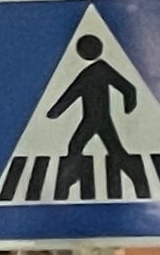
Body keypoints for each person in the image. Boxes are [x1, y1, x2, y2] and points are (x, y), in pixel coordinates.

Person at [47, 34, 136, 165]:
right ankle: (137, 176)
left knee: (75, 147)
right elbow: (128, 88)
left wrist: (56, 112)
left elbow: (72, 93)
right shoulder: (102, 70)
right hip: (102, 118)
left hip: (92, 119)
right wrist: (129, 105)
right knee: (115, 150)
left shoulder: (90, 74)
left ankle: (71, 177)